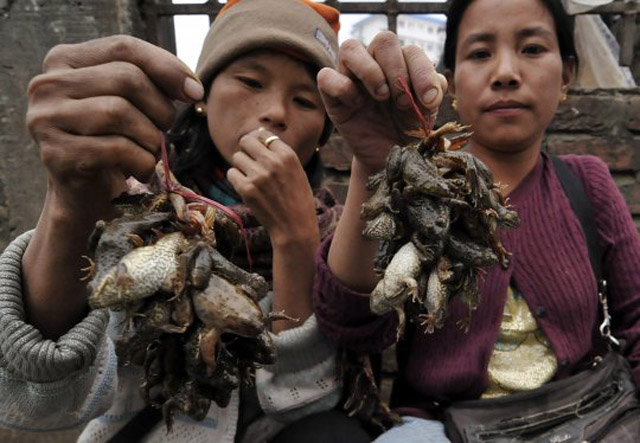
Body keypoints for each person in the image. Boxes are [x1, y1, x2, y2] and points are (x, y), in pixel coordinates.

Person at [0, 0, 410, 441]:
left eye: (305, 100)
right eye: (251, 81)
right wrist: (68, 204)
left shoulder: (338, 235)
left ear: (322, 136)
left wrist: (294, 239)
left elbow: (306, 405)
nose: (275, 111)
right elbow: (36, 404)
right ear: (201, 97)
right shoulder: (133, 206)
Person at [313, 0, 640, 441]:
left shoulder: (588, 183)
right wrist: (374, 168)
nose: (505, 72)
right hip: (441, 426)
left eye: (532, 48)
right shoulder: (419, 186)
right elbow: (350, 323)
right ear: (451, 84)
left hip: (584, 418)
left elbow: (636, 322)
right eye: (480, 53)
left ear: (566, 76)